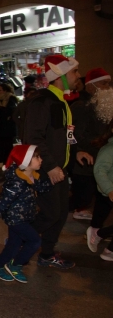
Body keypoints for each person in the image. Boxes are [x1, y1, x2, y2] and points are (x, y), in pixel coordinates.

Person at [25, 54, 80, 269]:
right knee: (50, 214)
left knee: (59, 215)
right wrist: (51, 165)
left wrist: (77, 151)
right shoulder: (42, 101)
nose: (77, 76)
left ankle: (47, 254)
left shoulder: (60, 101)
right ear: (61, 76)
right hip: (47, 169)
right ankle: (18, 237)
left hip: (60, 169)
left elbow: (63, 136)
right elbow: (34, 138)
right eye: (74, 71)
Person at [0, 145, 51, 282]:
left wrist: (50, 181)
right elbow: (3, 200)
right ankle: (16, 265)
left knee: (13, 245)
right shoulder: (16, 182)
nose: (41, 160)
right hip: (16, 219)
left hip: (24, 217)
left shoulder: (31, 176)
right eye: (37, 157)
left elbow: (41, 187)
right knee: (35, 241)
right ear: (26, 161)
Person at [71, 68, 111, 220]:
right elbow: (75, 134)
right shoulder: (81, 106)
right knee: (84, 193)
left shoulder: (104, 104)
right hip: (87, 157)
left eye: (108, 83)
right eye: (103, 83)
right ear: (90, 86)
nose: (107, 87)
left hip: (101, 156)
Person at [88, 118, 113, 261]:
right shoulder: (109, 149)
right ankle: (108, 249)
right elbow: (99, 170)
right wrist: (110, 189)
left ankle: (100, 234)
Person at [0, 83, 18, 174]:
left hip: (7, 128)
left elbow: (10, 111)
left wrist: (1, 109)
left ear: (5, 91)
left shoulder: (11, 98)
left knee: (7, 147)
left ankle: (8, 165)